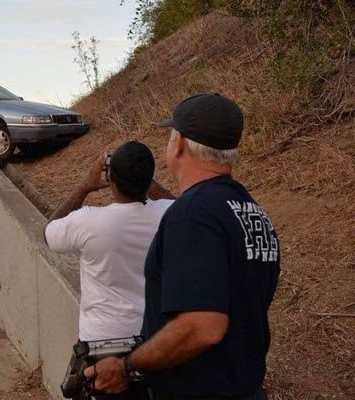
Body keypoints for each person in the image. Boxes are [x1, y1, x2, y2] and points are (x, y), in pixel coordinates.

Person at [85, 94, 280, 400]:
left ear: (178, 143)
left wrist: (128, 366)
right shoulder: (252, 212)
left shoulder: (192, 215)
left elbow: (203, 326)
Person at [45, 141, 175, 399]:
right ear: (149, 178)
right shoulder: (168, 215)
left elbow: (49, 232)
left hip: (103, 346)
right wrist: (145, 180)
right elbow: (183, 204)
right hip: (155, 340)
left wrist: (85, 185)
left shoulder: (88, 222)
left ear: (110, 178)